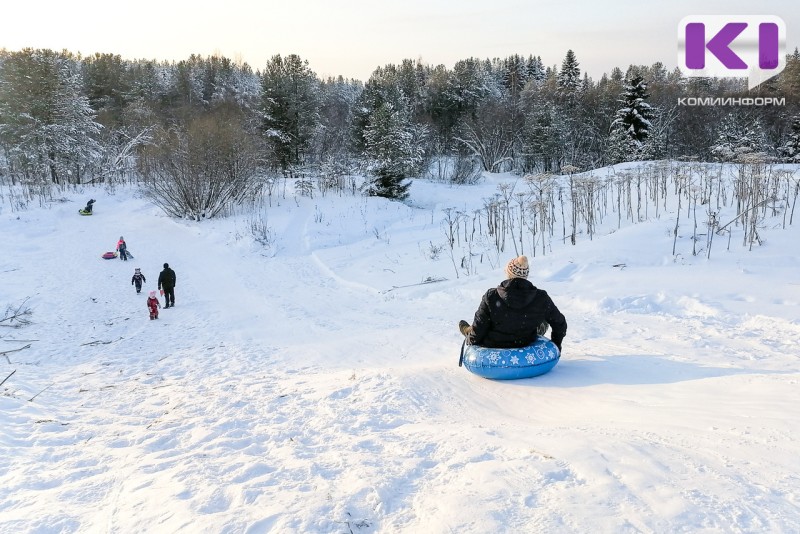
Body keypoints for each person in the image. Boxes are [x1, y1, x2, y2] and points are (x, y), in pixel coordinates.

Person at [458, 255, 567, 351]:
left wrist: (471, 341)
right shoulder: (541, 297)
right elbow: (560, 323)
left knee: (477, 326)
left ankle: (468, 330)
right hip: (524, 341)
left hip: (494, 343)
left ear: (509, 273)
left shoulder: (491, 296)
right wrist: (556, 345)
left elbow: (479, 329)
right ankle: (469, 330)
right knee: (544, 317)